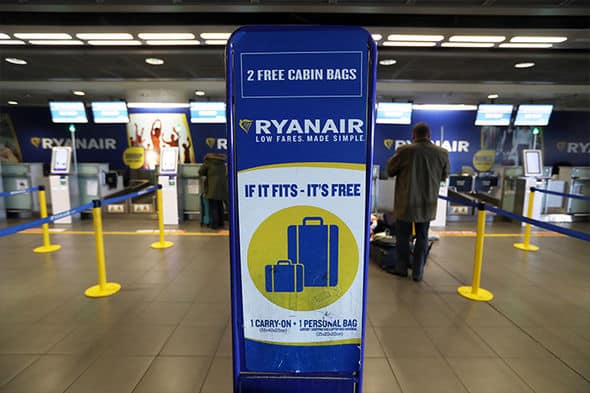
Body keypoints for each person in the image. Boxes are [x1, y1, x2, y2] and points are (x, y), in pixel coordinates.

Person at [386, 122, 450, 281]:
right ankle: (418, 272)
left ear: (413, 136)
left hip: (406, 202)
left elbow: (390, 171)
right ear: (429, 136)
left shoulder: (404, 151)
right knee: (422, 236)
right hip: (427, 203)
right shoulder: (442, 153)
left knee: (403, 237)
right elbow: (444, 176)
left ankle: (401, 268)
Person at [198, 153, 228, 229]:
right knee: (220, 206)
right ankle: (221, 223)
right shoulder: (222, 163)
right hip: (222, 187)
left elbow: (200, 172)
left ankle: (214, 225)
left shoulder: (208, 163)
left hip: (212, 188)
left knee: (213, 207)